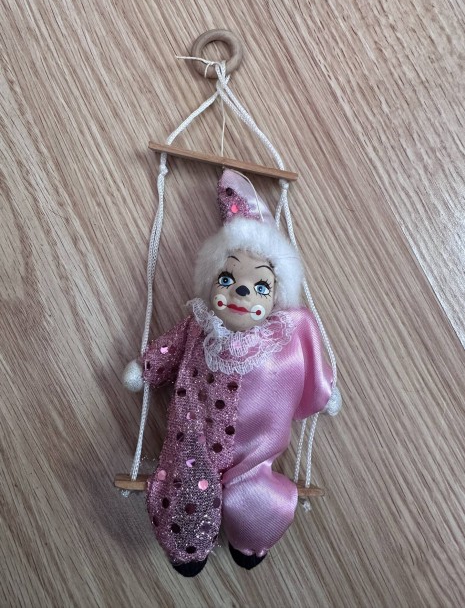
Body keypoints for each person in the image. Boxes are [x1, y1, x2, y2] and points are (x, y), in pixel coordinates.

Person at [124, 169, 341, 577]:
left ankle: (252, 537)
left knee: (256, 496)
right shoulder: (198, 327)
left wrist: (324, 391)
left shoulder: (282, 337)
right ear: (212, 283)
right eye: (228, 278)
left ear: (275, 297)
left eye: (260, 286)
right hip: (194, 441)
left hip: (254, 452)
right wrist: (146, 367)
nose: (241, 291)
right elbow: (169, 348)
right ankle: (187, 546)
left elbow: (304, 360)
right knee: (183, 487)